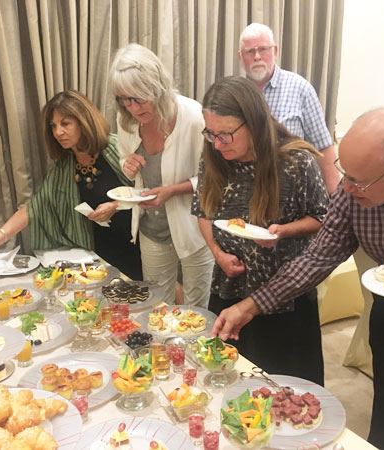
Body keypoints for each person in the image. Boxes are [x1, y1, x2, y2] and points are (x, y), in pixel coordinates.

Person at [211, 108, 384, 450]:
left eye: (358, 181)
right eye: (344, 173)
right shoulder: (355, 188)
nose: (346, 188)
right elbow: (317, 257)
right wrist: (248, 306)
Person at [192, 76, 329, 382]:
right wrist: (217, 253)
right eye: (210, 133)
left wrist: (284, 231)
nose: (216, 144)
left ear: (252, 123)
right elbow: (203, 212)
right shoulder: (214, 158)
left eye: (225, 134)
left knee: (284, 388)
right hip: (230, 288)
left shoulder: (296, 161)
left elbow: (322, 219)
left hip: (284, 296)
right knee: (228, 379)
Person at [0, 90, 143, 280]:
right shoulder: (65, 166)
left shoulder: (116, 148)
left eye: (65, 123)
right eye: (53, 126)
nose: (58, 132)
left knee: (163, 293)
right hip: (105, 248)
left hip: (140, 238)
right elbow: (35, 207)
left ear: (83, 121)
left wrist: (115, 205)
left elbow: (147, 191)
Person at [109, 43, 214, 308]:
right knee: (157, 308)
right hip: (151, 228)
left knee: (196, 310)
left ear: (157, 86)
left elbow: (214, 179)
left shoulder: (192, 116)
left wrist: (171, 191)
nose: (133, 107)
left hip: (194, 230)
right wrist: (128, 165)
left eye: (139, 97)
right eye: (125, 99)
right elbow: (125, 159)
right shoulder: (126, 121)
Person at [238, 22, 340, 193]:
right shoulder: (235, 94)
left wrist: (336, 202)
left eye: (263, 49)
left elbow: (322, 149)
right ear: (240, 57)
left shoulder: (301, 89)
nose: (257, 57)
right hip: (246, 193)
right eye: (250, 51)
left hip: (294, 196)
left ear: (275, 51)